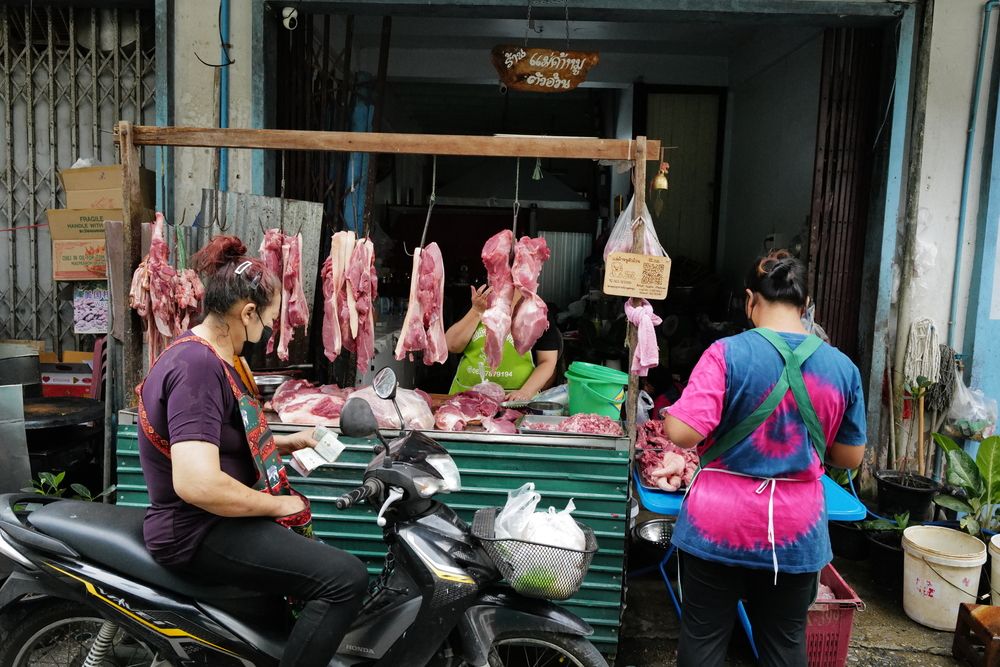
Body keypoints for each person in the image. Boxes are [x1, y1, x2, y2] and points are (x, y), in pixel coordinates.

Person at [137, 236, 368, 667]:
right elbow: (198, 482)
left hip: (212, 520)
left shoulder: (210, 353)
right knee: (346, 578)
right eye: (268, 320)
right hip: (197, 528)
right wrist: (275, 504)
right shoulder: (198, 368)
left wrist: (285, 441)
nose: (268, 332)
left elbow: (212, 436)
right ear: (246, 313)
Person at [662, 250, 866, 667]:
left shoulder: (725, 353)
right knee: (784, 645)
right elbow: (849, 457)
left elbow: (682, 432)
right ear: (806, 307)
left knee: (702, 641)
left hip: (717, 526)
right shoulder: (842, 367)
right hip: (795, 532)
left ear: (750, 300)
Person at [445, 284, 560, 400]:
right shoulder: (478, 304)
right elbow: (452, 345)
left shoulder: (536, 313)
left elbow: (547, 361)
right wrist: (476, 311)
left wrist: (526, 392)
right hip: (466, 399)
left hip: (514, 402)